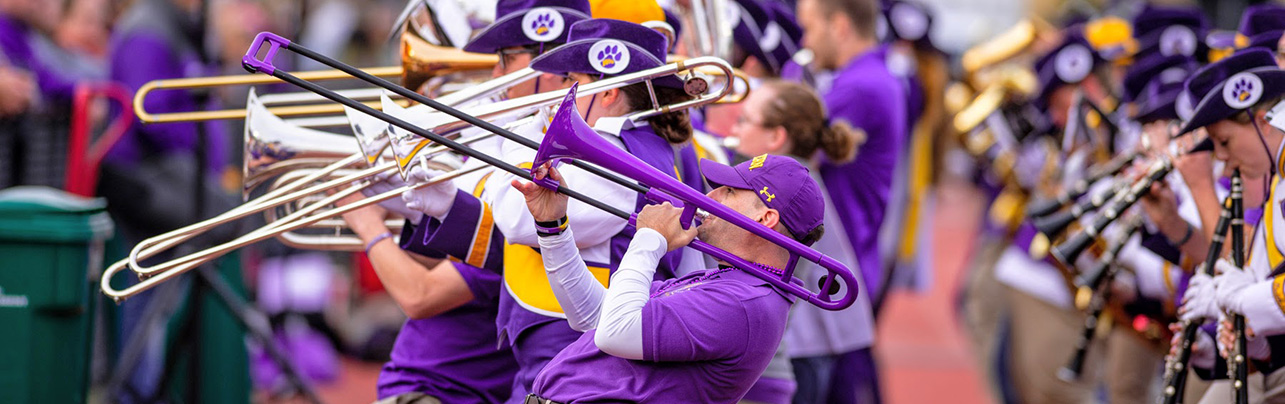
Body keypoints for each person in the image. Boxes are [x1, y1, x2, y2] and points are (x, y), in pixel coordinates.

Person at [397, 18, 700, 403]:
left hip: (580, 362)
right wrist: (445, 205)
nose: (560, 91)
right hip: (556, 357)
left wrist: (514, 137)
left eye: (571, 79)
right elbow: (523, 249)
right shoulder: (607, 149)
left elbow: (522, 221)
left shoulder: (620, 156)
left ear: (607, 92)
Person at [515, 154, 826, 404]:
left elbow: (614, 332)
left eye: (729, 191)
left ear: (765, 218)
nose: (709, 195)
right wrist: (552, 226)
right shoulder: (731, 283)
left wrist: (649, 238)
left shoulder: (747, 302)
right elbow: (595, 317)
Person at [727, 79, 878, 404]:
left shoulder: (785, 195)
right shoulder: (792, 180)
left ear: (776, 137)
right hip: (801, 349)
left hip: (794, 355)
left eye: (744, 120)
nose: (735, 128)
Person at [1171, 48, 1285, 403]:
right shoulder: (1277, 184)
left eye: (1224, 141)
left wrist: (1242, 300)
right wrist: (1251, 341)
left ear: (1263, 123)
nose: (1220, 157)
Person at [788, 0, 906, 313]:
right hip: (848, 260)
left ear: (839, 26)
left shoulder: (861, 87)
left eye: (809, 28)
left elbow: (786, 152)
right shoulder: (871, 77)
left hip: (834, 269)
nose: (805, 42)